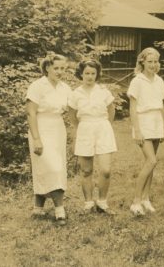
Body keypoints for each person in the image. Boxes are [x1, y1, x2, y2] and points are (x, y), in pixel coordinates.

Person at [26, 52, 71, 225]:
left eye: (63, 68)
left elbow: (74, 107)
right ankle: (60, 209)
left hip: (58, 128)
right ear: (47, 68)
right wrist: (37, 138)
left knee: (51, 166)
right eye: (56, 68)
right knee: (52, 166)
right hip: (40, 128)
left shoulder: (65, 88)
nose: (60, 72)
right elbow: (30, 113)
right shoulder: (37, 86)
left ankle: (38, 208)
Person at [68, 59, 117, 215]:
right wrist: (80, 130)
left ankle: (102, 202)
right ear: (81, 74)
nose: (90, 76)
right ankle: (89, 203)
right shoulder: (76, 94)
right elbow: (72, 116)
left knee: (106, 169)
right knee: (86, 170)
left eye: (93, 73)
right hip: (84, 128)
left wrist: (105, 126)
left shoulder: (104, 91)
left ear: (97, 74)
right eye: (87, 73)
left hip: (103, 127)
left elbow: (111, 111)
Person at [127, 47, 164, 216]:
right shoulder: (137, 81)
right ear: (142, 62)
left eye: (155, 61)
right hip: (143, 122)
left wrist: (163, 127)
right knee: (151, 161)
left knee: (151, 164)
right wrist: (137, 130)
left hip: (157, 122)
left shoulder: (160, 81)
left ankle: (146, 199)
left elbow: (161, 105)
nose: (153, 65)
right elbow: (133, 108)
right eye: (149, 61)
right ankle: (135, 201)